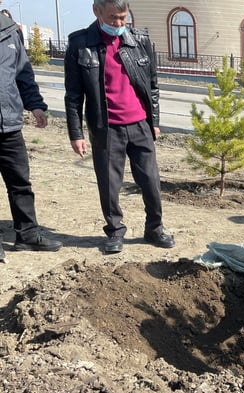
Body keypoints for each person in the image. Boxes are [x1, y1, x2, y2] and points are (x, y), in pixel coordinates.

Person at [64, 0, 174, 254]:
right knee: (110, 184)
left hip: (140, 125)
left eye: (124, 17)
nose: (119, 24)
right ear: (97, 11)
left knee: (150, 181)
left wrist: (154, 121)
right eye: (113, 17)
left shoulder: (139, 40)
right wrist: (76, 133)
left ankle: (154, 228)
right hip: (106, 128)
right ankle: (114, 231)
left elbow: (153, 85)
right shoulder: (81, 44)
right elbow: (73, 95)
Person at [0, 11, 63, 262]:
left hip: (9, 124)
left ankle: (27, 234)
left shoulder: (10, 30)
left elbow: (23, 74)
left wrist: (35, 105)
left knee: (20, 183)